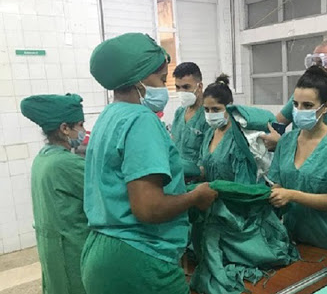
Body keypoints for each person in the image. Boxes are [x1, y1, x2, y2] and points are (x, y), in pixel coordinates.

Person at [82, 33, 217, 294]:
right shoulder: (141, 119)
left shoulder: (108, 116)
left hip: (101, 254)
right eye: (161, 79)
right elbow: (148, 208)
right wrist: (194, 197)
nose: (164, 88)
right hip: (138, 259)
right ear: (139, 79)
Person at [267, 66, 327, 253]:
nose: (299, 111)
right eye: (296, 105)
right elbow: (277, 183)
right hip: (295, 239)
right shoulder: (286, 142)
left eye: (307, 106)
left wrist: (291, 195)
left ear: (326, 107)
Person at [20, 94, 89, 294]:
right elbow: (103, 194)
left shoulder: (43, 157)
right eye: (80, 124)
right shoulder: (66, 163)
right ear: (65, 128)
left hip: (52, 245)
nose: (83, 131)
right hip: (71, 246)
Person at [261, 39, 327, 150]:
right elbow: (276, 122)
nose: (316, 67)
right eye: (313, 62)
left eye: (322, 63)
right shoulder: (303, 94)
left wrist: (283, 145)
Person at [199, 74, 257, 184]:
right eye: (206, 109)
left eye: (216, 109)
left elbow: (243, 183)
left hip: (233, 198)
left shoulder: (237, 138)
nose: (210, 114)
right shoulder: (209, 134)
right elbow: (205, 166)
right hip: (211, 198)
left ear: (229, 106)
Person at [170, 62, 209, 181]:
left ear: (200, 86)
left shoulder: (208, 115)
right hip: (176, 177)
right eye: (178, 87)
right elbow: (173, 142)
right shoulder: (179, 112)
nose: (181, 92)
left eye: (186, 87)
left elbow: (208, 159)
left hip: (197, 181)